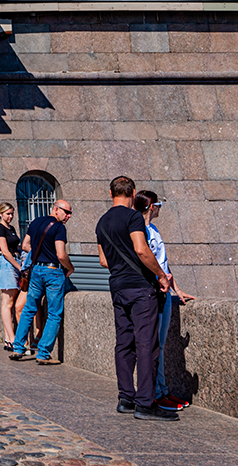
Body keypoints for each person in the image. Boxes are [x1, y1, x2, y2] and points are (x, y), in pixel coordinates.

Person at [96, 176, 175, 422]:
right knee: (146, 344)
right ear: (131, 192)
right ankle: (145, 403)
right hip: (140, 288)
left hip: (117, 287)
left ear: (111, 193)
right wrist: (161, 275)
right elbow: (142, 249)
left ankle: (126, 398)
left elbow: (104, 261)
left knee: (124, 343)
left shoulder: (102, 222)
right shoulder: (133, 218)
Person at [134, 189, 196, 412]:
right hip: (154, 292)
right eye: (158, 204)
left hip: (165, 291)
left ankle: (161, 390)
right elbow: (149, 262)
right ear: (151, 206)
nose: (160, 208)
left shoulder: (154, 229)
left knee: (159, 345)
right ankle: (157, 393)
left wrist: (177, 288)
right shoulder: (141, 231)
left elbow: (164, 264)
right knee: (155, 346)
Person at [9, 199, 74, 364]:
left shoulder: (36, 222)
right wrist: (70, 268)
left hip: (36, 270)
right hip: (53, 272)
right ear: (56, 209)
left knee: (28, 309)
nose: (68, 216)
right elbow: (61, 254)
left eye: (70, 214)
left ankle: (18, 348)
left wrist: (40, 255)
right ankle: (43, 353)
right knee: (54, 313)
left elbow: (25, 245)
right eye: (66, 212)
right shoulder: (59, 228)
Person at [0, 202, 23, 351]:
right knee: (8, 302)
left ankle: (7, 338)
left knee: (9, 302)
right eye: (7, 214)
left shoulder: (11, 228)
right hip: (6, 264)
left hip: (14, 261)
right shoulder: (0, 229)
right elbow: (5, 251)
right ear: (0, 214)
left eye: (12, 214)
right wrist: (19, 267)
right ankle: (12, 338)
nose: (10, 216)